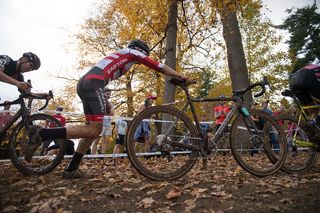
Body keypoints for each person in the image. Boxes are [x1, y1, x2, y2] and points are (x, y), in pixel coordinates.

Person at [27, 39, 193, 179]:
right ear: (140, 50)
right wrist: (181, 76)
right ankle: (42, 134)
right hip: (94, 83)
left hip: (89, 82)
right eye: (143, 56)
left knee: (92, 130)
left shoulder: (122, 54)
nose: (140, 61)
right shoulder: (133, 52)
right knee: (93, 130)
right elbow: (159, 66)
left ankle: (72, 169)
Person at [91, 88, 114, 154]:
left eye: (109, 94)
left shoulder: (110, 104)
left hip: (108, 122)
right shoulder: (99, 101)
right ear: (103, 94)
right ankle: (93, 155)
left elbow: (112, 114)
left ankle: (102, 155)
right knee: (97, 139)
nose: (108, 95)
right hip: (100, 121)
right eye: (107, 94)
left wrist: (111, 108)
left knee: (106, 139)